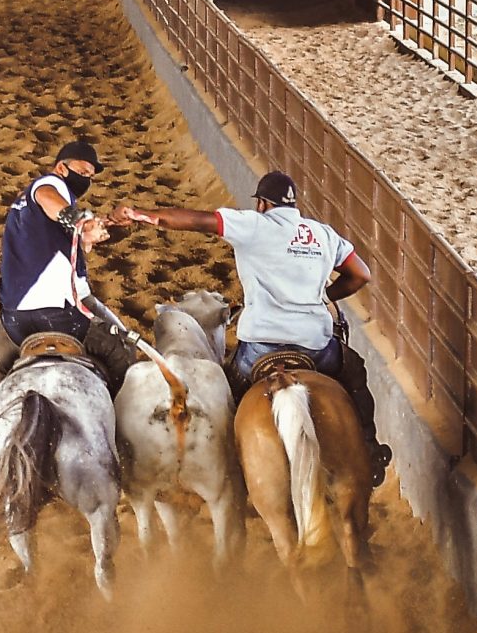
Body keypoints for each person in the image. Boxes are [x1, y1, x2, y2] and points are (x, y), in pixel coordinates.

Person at [115, 170, 392, 487]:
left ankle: (230, 466)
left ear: (262, 204)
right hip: (316, 345)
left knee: (227, 394)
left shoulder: (252, 224)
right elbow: (361, 275)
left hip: (260, 347)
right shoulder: (323, 234)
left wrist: (145, 216)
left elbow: (196, 220)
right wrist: (325, 296)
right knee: (355, 373)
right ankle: (369, 449)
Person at [0, 141, 136, 405]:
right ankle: (121, 424)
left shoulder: (25, 208)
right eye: (83, 171)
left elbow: (75, 227)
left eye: (91, 176)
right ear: (61, 168)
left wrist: (106, 222)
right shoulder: (50, 185)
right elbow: (50, 200)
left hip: (15, 319)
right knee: (124, 353)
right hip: (63, 315)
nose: (87, 178)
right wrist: (81, 222)